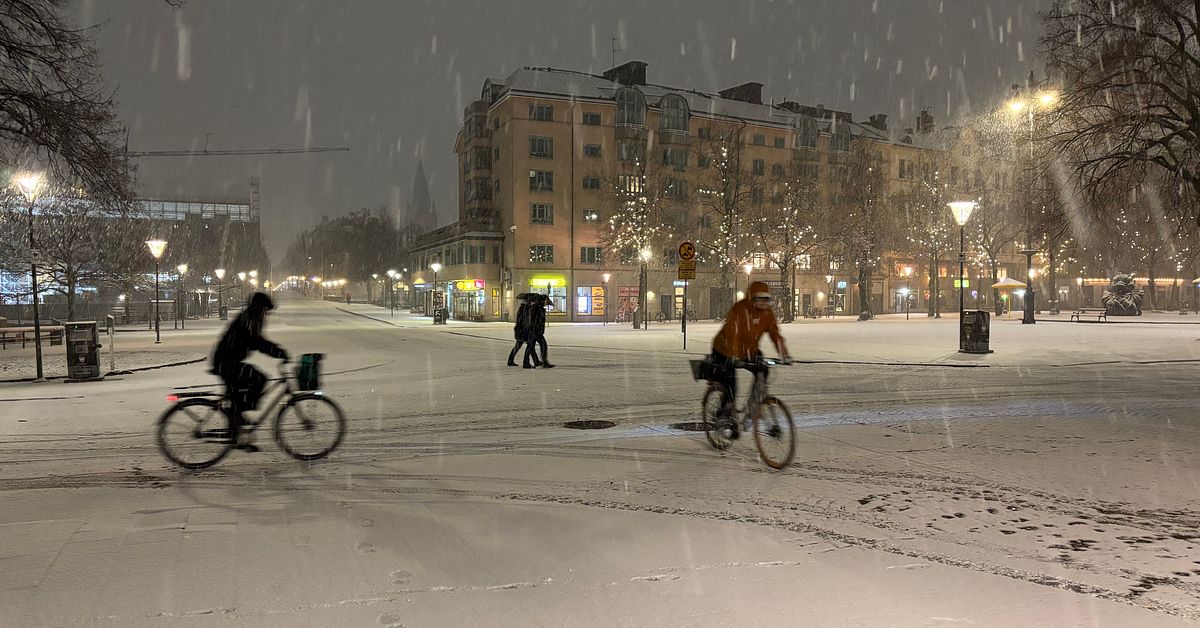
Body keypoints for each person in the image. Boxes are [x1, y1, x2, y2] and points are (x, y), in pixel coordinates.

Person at [709, 281, 791, 437]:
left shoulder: (767, 314)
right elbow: (732, 333)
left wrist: (784, 354)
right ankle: (724, 414)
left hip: (748, 350)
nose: (763, 303)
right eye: (759, 299)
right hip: (724, 349)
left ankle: (753, 405)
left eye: (766, 299)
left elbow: (775, 334)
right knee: (731, 384)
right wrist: (733, 356)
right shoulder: (740, 309)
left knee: (763, 370)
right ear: (752, 298)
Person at [211, 292, 289, 451]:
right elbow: (256, 342)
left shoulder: (249, 318)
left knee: (241, 391)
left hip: (228, 361)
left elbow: (256, 341)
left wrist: (276, 351)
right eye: (265, 310)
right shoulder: (249, 319)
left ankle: (237, 426)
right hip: (226, 362)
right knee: (258, 378)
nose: (266, 314)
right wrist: (278, 352)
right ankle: (238, 416)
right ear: (259, 308)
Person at [507, 294, 541, 367]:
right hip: (524, 330)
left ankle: (510, 360)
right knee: (530, 346)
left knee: (519, 346)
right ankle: (527, 363)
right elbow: (526, 321)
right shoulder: (526, 309)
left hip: (521, 330)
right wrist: (529, 328)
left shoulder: (523, 308)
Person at [529, 294, 554, 368]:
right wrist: (537, 328)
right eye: (546, 300)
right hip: (536, 330)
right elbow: (536, 320)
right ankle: (544, 362)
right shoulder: (538, 308)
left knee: (531, 346)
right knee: (543, 344)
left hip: (534, 330)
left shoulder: (538, 307)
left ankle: (535, 361)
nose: (547, 302)